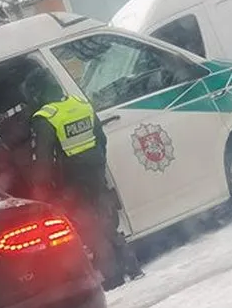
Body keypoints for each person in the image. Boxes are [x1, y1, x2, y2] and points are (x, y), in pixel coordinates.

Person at [20, 67, 143, 289]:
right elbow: (101, 139)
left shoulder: (45, 117)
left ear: (37, 94)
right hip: (95, 173)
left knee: (89, 228)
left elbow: (43, 159)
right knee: (106, 222)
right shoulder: (80, 104)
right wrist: (97, 164)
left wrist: (41, 190)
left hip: (71, 182)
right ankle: (132, 266)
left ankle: (113, 278)